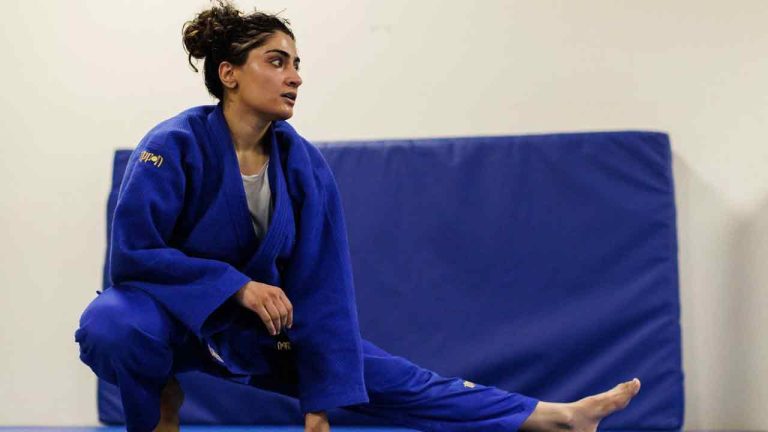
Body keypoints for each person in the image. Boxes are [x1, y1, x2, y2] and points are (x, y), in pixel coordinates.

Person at [74, 2, 641, 431]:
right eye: (276, 62)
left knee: (394, 376)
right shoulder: (170, 144)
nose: (294, 76)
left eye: (296, 64)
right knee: (112, 324)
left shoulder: (303, 166)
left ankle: (553, 418)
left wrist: (320, 399)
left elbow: (322, 289)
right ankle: (159, 403)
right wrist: (237, 285)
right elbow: (134, 256)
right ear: (230, 74)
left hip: (253, 333)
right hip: (170, 319)